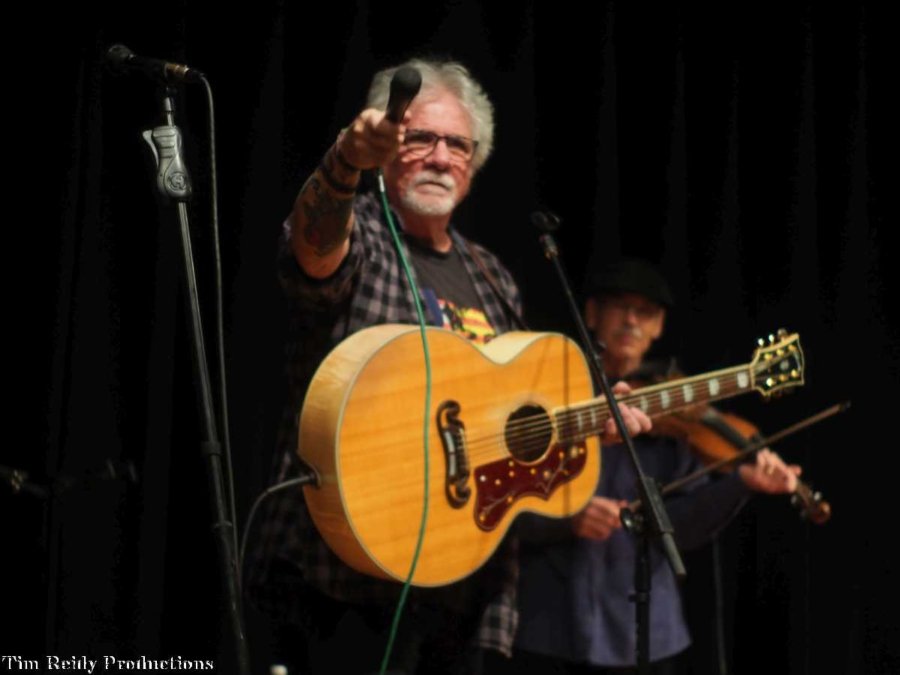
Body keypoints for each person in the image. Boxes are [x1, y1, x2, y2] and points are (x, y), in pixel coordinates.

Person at [245, 60, 651, 675]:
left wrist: (591, 423)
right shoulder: (362, 235)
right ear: (386, 147)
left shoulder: (492, 276)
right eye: (420, 138)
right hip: (339, 574)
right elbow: (314, 250)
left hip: (463, 589)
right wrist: (343, 162)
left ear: (474, 164)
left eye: (458, 145)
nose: (440, 157)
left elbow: (505, 430)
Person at [505, 258, 802, 675]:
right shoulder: (547, 395)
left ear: (659, 326)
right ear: (591, 313)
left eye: (645, 312)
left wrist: (741, 483)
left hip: (647, 635)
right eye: (619, 306)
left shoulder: (675, 418)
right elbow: (498, 503)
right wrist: (568, 519)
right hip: (547, 625)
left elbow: (681, 527)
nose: (631, 320)